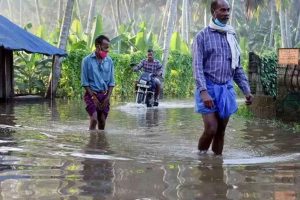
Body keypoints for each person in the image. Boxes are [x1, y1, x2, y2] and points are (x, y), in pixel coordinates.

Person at [192, 0, 253, 155]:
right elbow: (197, 67)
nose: (226, 13)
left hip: (226, 88)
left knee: (221, 131)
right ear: (214, 12)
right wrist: (203, 91)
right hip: (208, 88)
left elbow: (237, 67)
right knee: (211, 128)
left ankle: (217, 165)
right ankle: (201, 158)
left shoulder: (231, 36)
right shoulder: (202, 36)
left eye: (228, 10)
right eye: (222, 10)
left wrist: (246, 90)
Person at [81, 35, 115, 130]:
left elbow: (111, 82)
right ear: (98, 46)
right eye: (105, 47)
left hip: (104, 95)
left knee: (102, 121)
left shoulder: (109, 61)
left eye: (108, 47)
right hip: (91, 95)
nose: (107, 50)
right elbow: (85, 82)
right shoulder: (86, 61)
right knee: (94, 119)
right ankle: (91, 142)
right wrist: (93, 97)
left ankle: (100, 143)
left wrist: (107, 98)